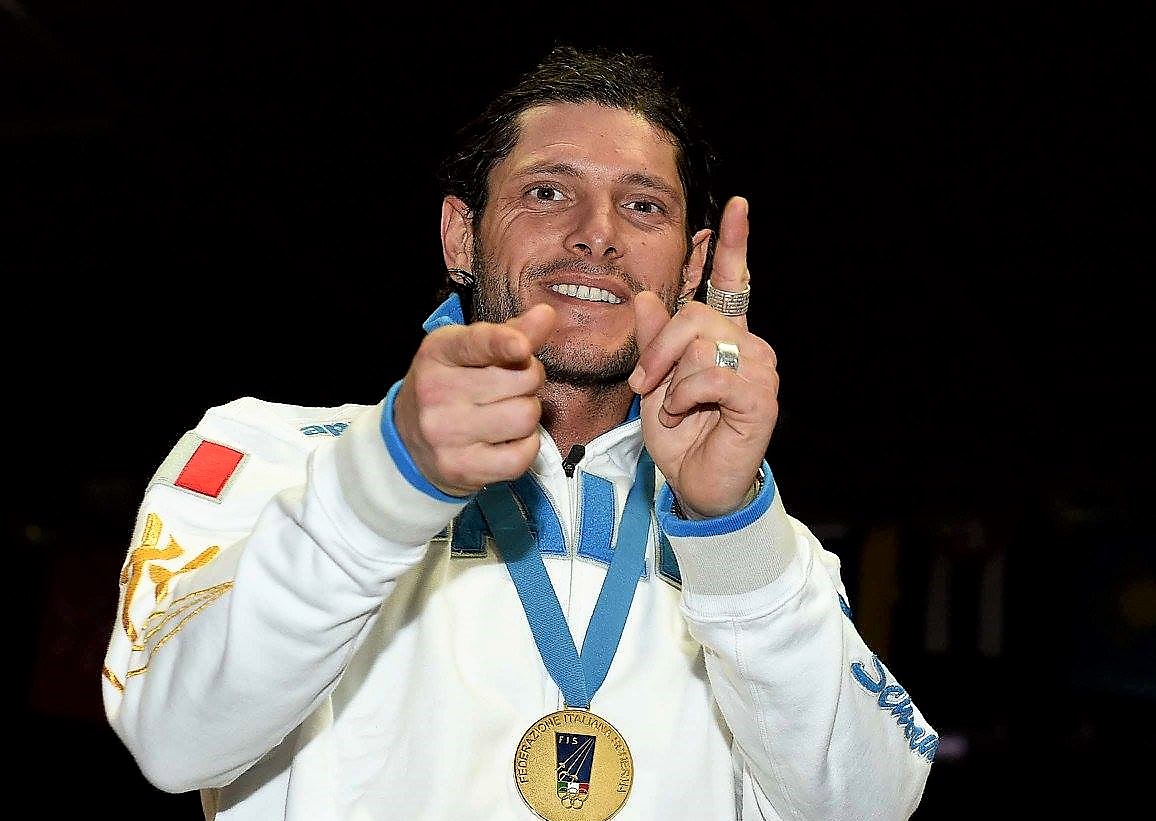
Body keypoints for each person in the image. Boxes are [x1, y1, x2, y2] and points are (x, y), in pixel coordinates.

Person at [101, 43, 937, 821]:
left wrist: (727, 524)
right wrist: (385, 485)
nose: (598, 232)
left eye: (643, 205)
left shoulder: (767, 548)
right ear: (460, 234)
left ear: (692, 265)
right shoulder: (270, 456)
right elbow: (173, 740)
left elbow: (867, 805)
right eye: (547, 192)